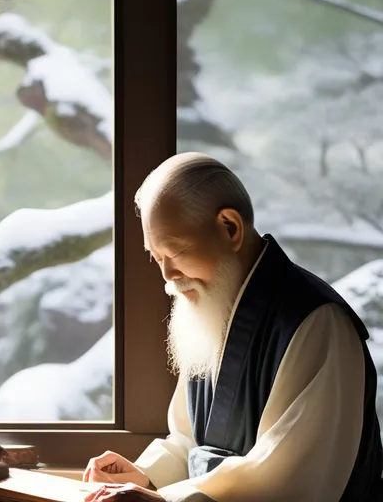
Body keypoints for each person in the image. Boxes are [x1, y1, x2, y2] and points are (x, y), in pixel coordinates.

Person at [83, 152, 383, 502]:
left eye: (176, 252)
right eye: (156, 257)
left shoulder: (317, 322)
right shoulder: (212, 310)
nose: (166, 275)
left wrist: (164, 501)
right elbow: (190, 442)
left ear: (230, 228)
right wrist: (148, 474)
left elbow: (283, 479)